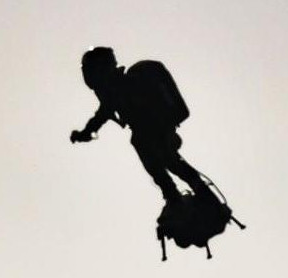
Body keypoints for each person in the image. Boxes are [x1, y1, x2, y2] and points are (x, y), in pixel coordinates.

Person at [70, 46, 212, 203]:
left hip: (155, 127)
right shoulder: (116, 88)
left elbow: (102, 115)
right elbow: (101, 116)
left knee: (152, 151)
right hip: (157, 129)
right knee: (169, 161)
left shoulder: (119, 86)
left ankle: (174, 194)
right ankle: (188, 193)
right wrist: (85, 133)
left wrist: (85, 133)